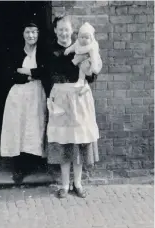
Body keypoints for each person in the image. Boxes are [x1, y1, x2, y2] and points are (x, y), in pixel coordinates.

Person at [46, 15, 102, 198]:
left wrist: (87, 67)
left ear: (72, 31)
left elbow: (92, 76)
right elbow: (56, 71)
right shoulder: (52, 50)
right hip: (62, 98)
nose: (64, 33)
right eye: (60, 29)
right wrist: (74, 62)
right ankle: (64, 184)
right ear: (55, 31)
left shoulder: (84, 46)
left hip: (80, 97)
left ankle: (77, 183)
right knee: (64, 140)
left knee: (78, 140)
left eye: (67, 29)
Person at [0, 22, 47, 182]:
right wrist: (32, 75)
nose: (31, 35)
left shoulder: (42, 52)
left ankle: (31, 164)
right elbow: (9, 73)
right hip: (18, 94)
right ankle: (18, 168)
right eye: (28, 32)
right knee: (17, 126)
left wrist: (27, 72)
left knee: (33, 126)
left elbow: (45, 71)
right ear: (23, 34)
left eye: (34, 32)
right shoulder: (15, 52)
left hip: (36, 94)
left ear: (38, 34)